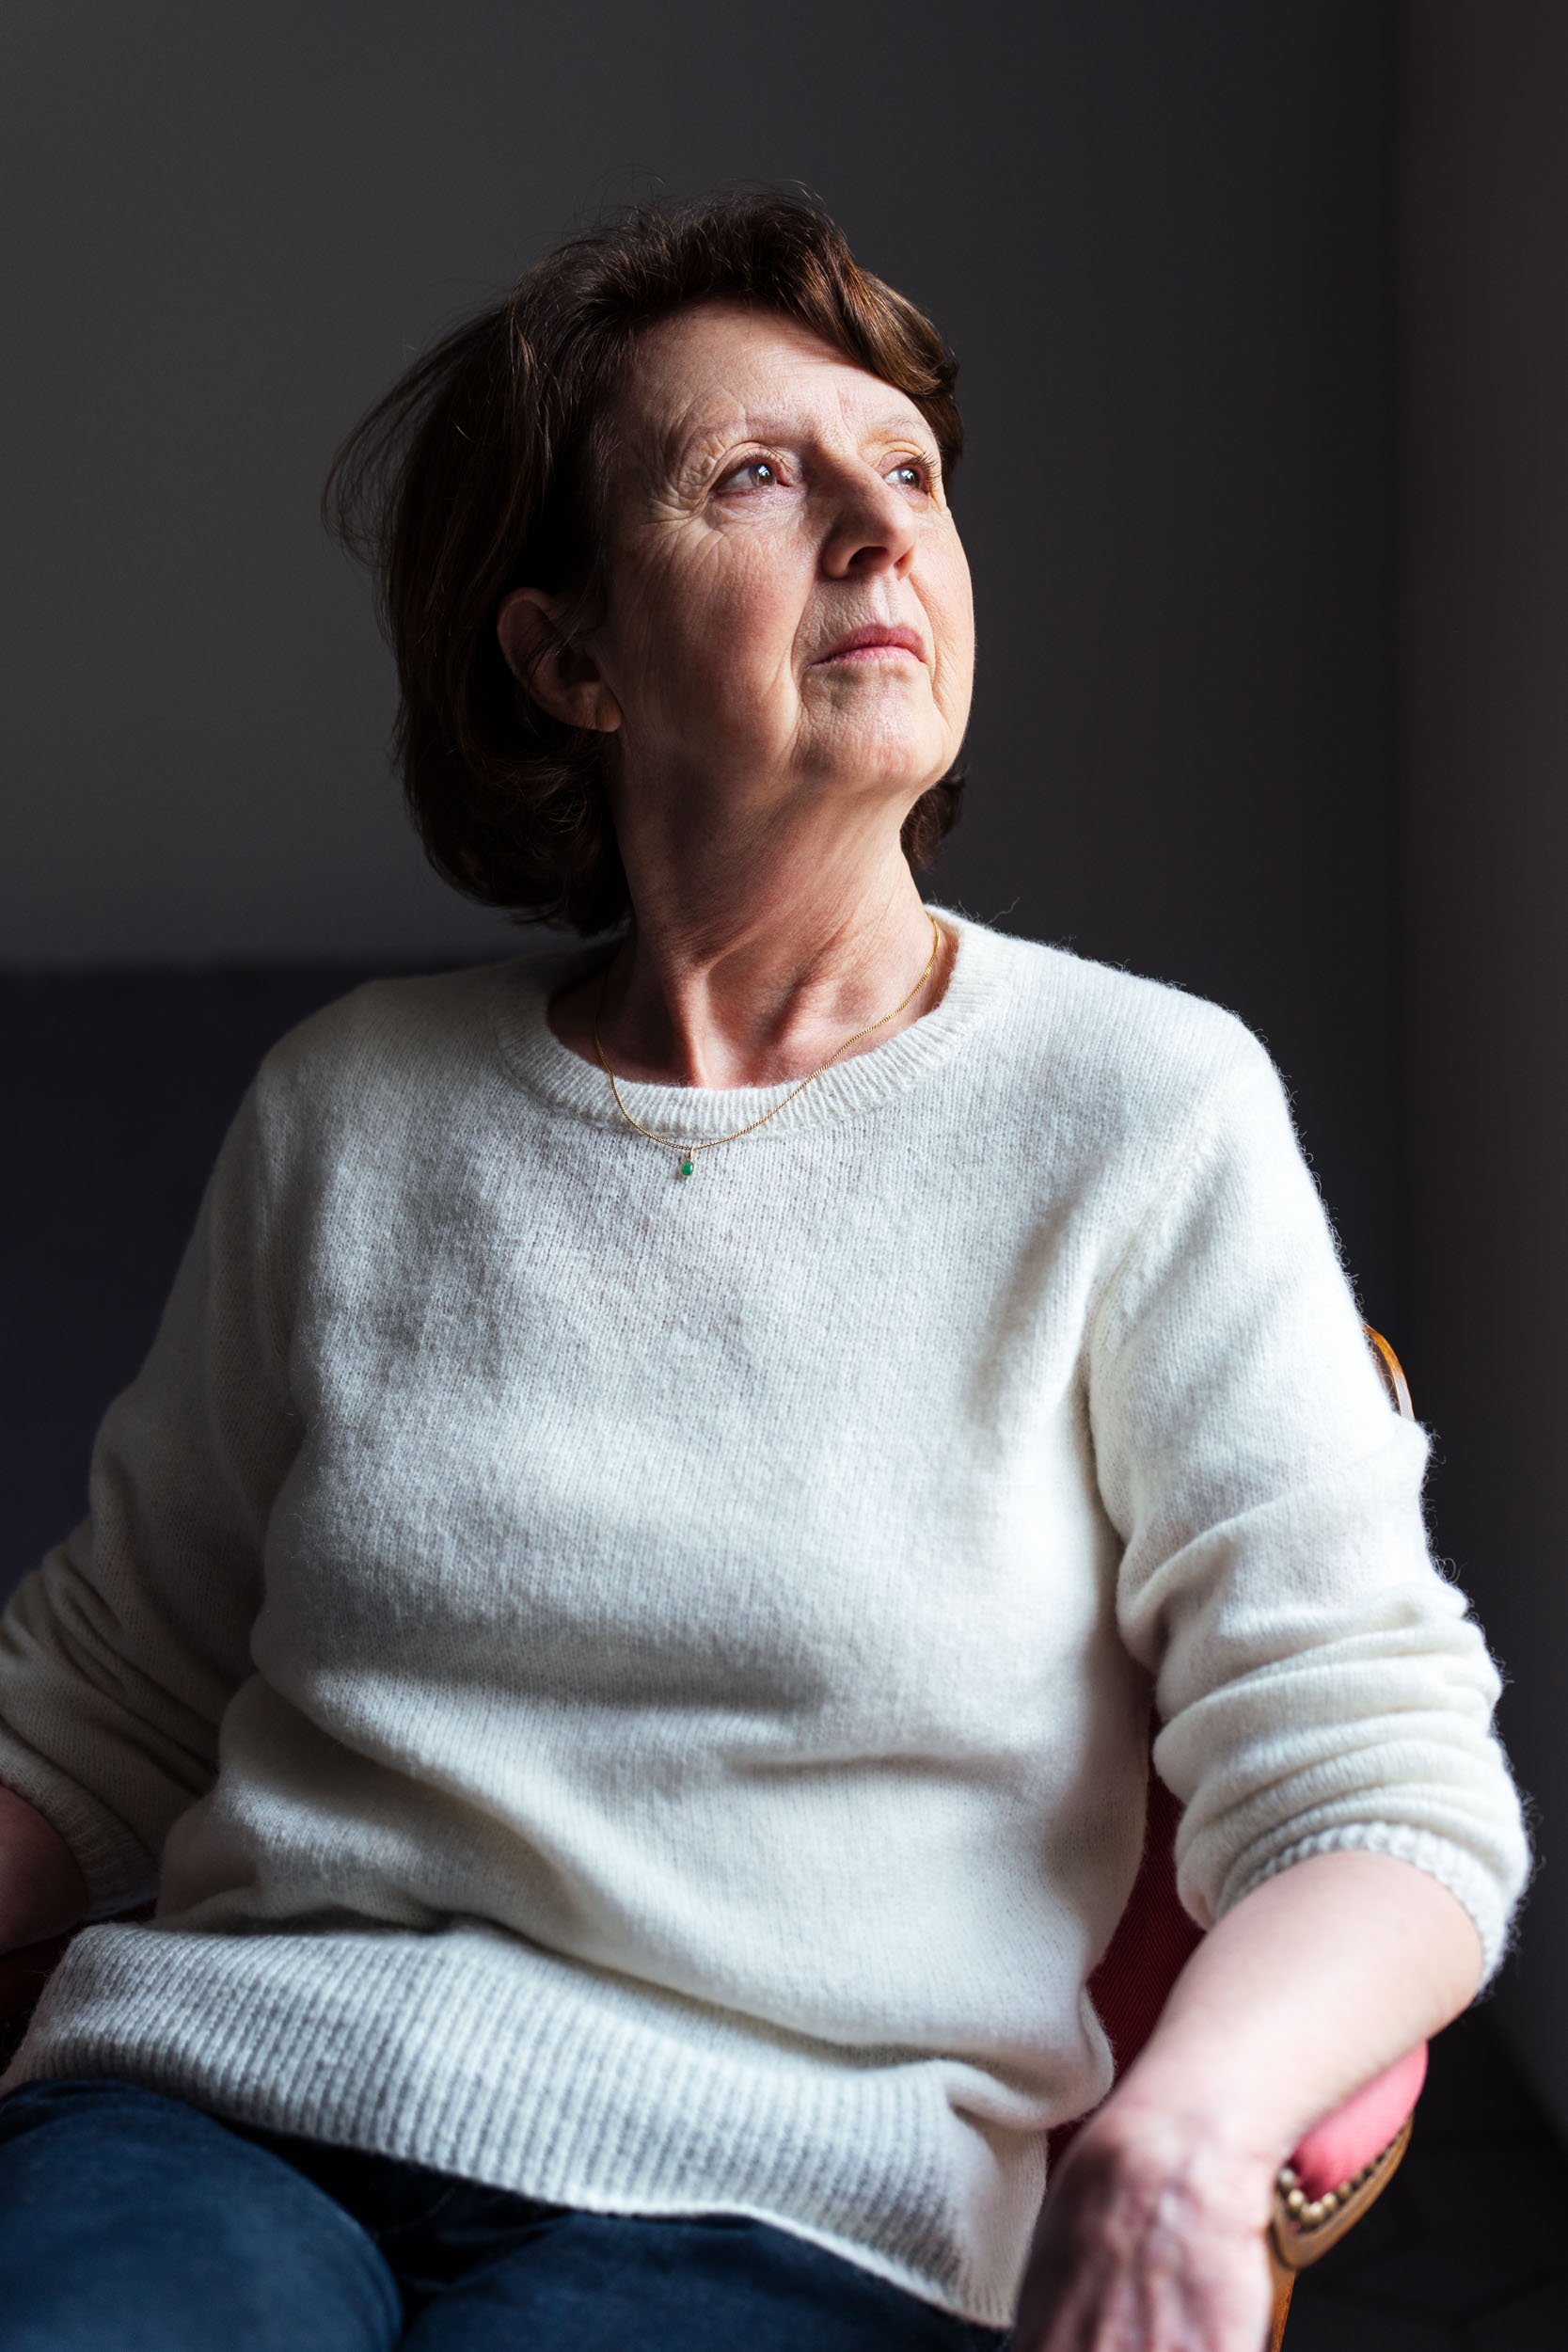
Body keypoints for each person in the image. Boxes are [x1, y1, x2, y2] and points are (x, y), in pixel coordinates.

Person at [0, 193, 1528, 2352]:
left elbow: (1380, 1787)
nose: (879, 530)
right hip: (214, 2110)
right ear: (570, 659)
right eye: (754, 475)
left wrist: (1188, 2128)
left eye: (906, 471)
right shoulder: (348, 1109)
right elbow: (112, 1683)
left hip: (790, 2199)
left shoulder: (1142, 1109)